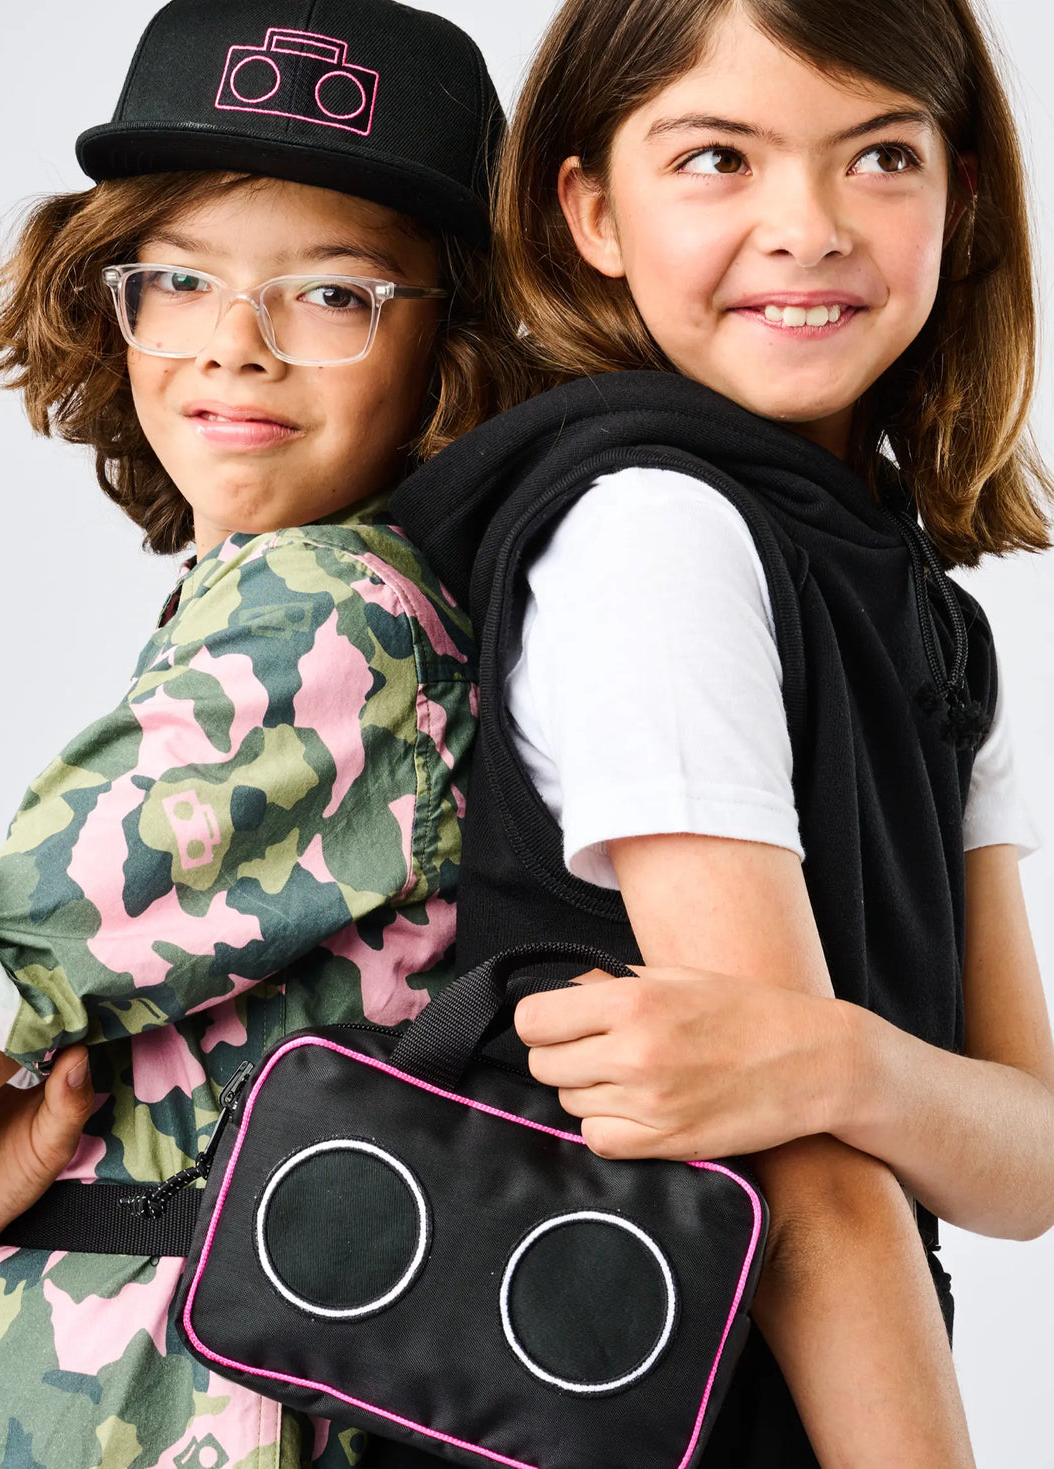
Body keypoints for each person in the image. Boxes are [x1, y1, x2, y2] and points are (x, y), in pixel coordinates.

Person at [391, 0, 1054, 1463]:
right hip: (655, 1399)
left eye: (880, 156)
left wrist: (841, 1060)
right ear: (591, 211)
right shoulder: (659, 534)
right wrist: (843, 1086)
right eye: (715, 158)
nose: (807, 226)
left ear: (965, 193)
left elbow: (1028, 1153)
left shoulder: (918, 602)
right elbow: (805, 1187)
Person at [0, 1, 506, 1464]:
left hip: (166, 1414)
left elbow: (4, 959)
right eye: (181, 278)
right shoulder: (253, 600)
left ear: (452, 337)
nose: (236, 348)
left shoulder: (333, 621)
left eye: (332, 294)